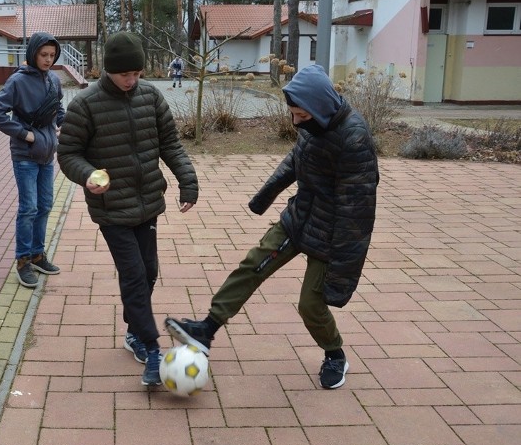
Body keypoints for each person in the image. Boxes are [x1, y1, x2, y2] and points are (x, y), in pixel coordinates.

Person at [165, 64, 379, 389]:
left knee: (311, 305)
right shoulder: (313, 123)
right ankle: (206, 330)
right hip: (300, 217)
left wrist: (341, 278)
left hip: (332, 234)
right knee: (253, 265)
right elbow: (297, 159)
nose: (295, 122)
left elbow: (357, 216)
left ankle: (335, 354)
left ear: (320, 107)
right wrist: (264, 196)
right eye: (293, 114)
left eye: (301, 116)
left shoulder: (354, 139)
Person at [58, 31, 199, 386]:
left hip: (148, 202)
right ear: (109, 70)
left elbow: (170, 143)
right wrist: (88, 174)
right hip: (111, 207)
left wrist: (188, 182)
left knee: (149, 270)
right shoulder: (85, 104)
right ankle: (152, 349)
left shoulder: (150, 96)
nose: (132, 80)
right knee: (134, 273)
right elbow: (68, 154)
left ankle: (134, 330)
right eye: (126, 75)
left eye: (137, 74)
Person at [0, 32, 65, 288]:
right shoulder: (17, 82)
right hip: (25, 156)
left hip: (47, 153)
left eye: (52, 56)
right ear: (33, 53)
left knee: (45, 206)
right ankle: (22, 261)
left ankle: (37, 254)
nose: (48, 60)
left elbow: (59, 109)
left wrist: (62, 125)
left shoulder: (54, 79)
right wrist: (24, 134)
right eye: (44, 55)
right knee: (28, 208)